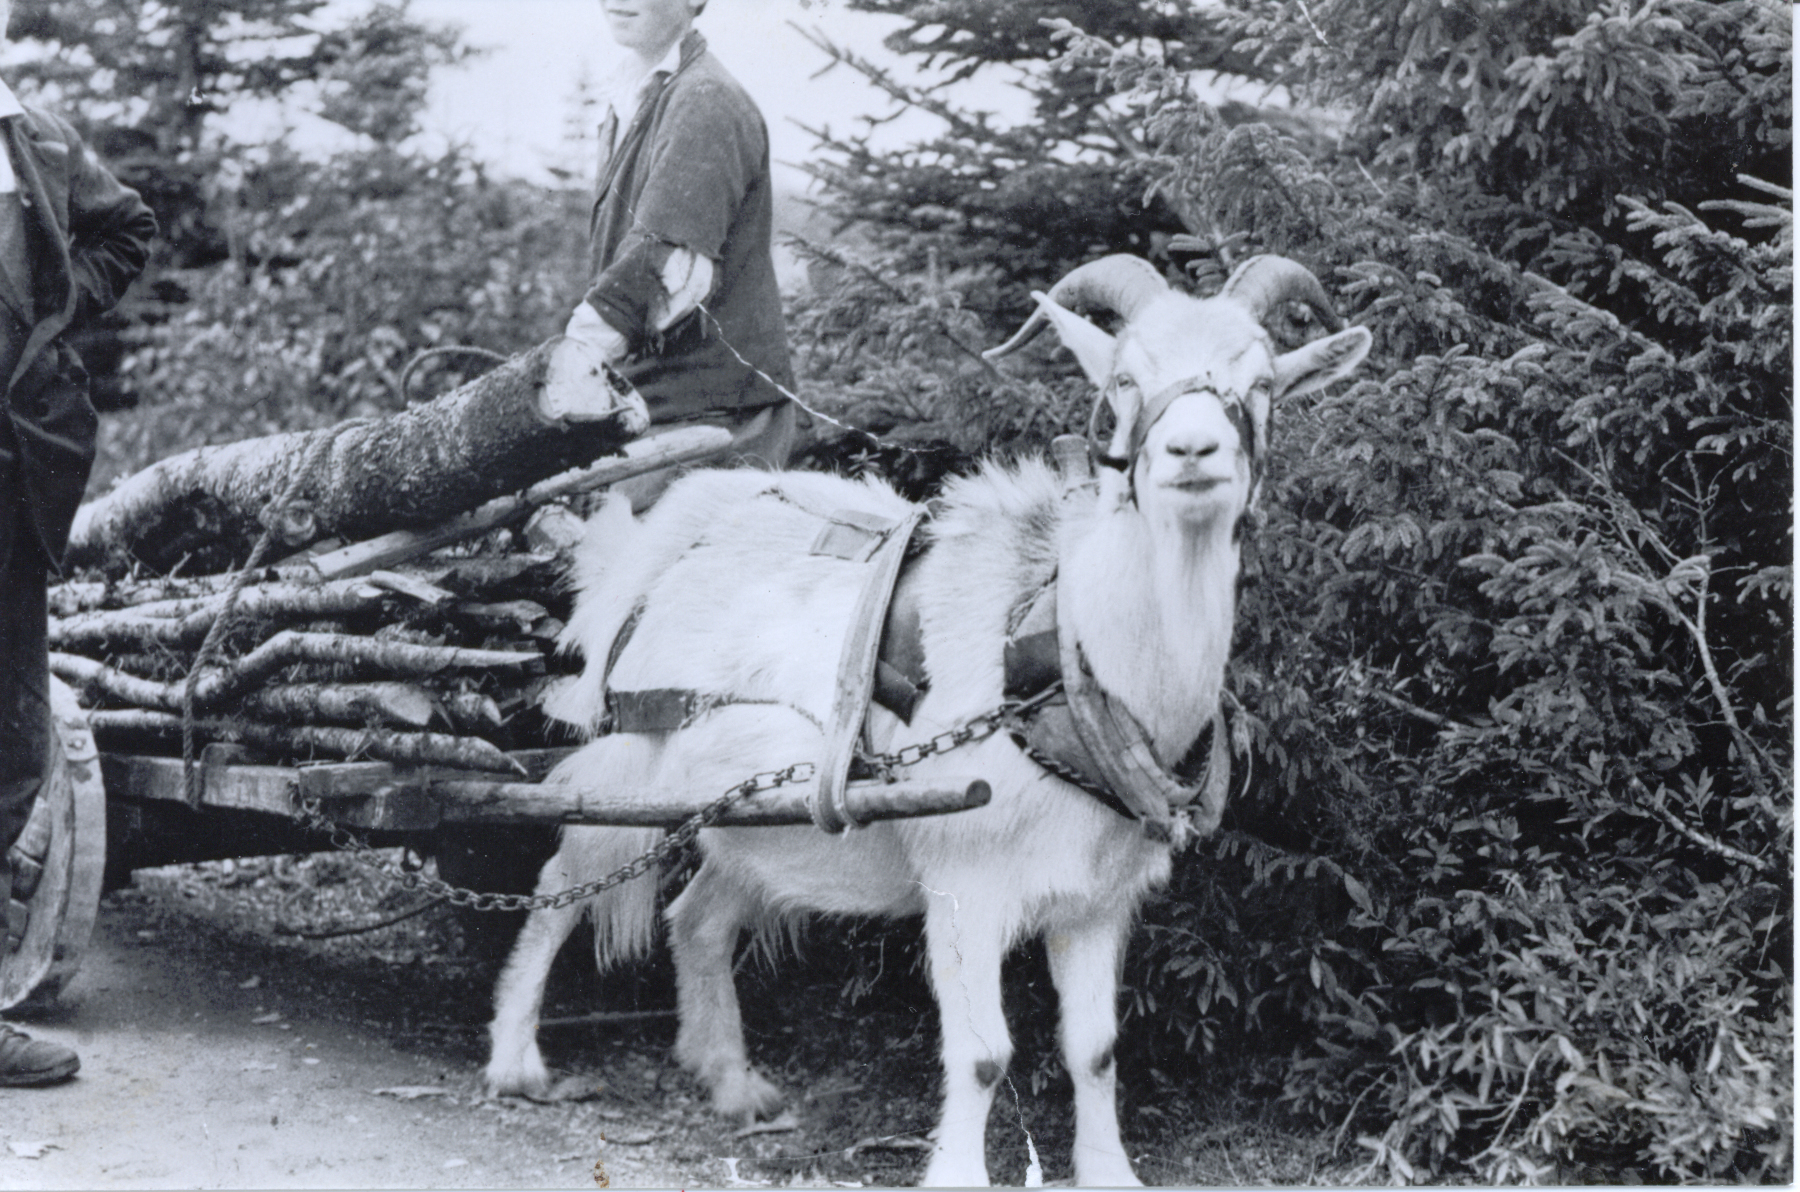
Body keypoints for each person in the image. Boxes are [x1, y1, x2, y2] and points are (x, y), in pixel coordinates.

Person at [0, 0, 157, 1085]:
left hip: (21, 473)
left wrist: (56, 325)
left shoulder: (38, 139)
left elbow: (127, 230)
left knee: (10, 740)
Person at [561, 0, 800, 505]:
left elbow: (668, 270)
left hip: (714, 419)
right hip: (659, 407)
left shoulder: (705, 100)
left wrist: (564, 370)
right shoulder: (635, 93)